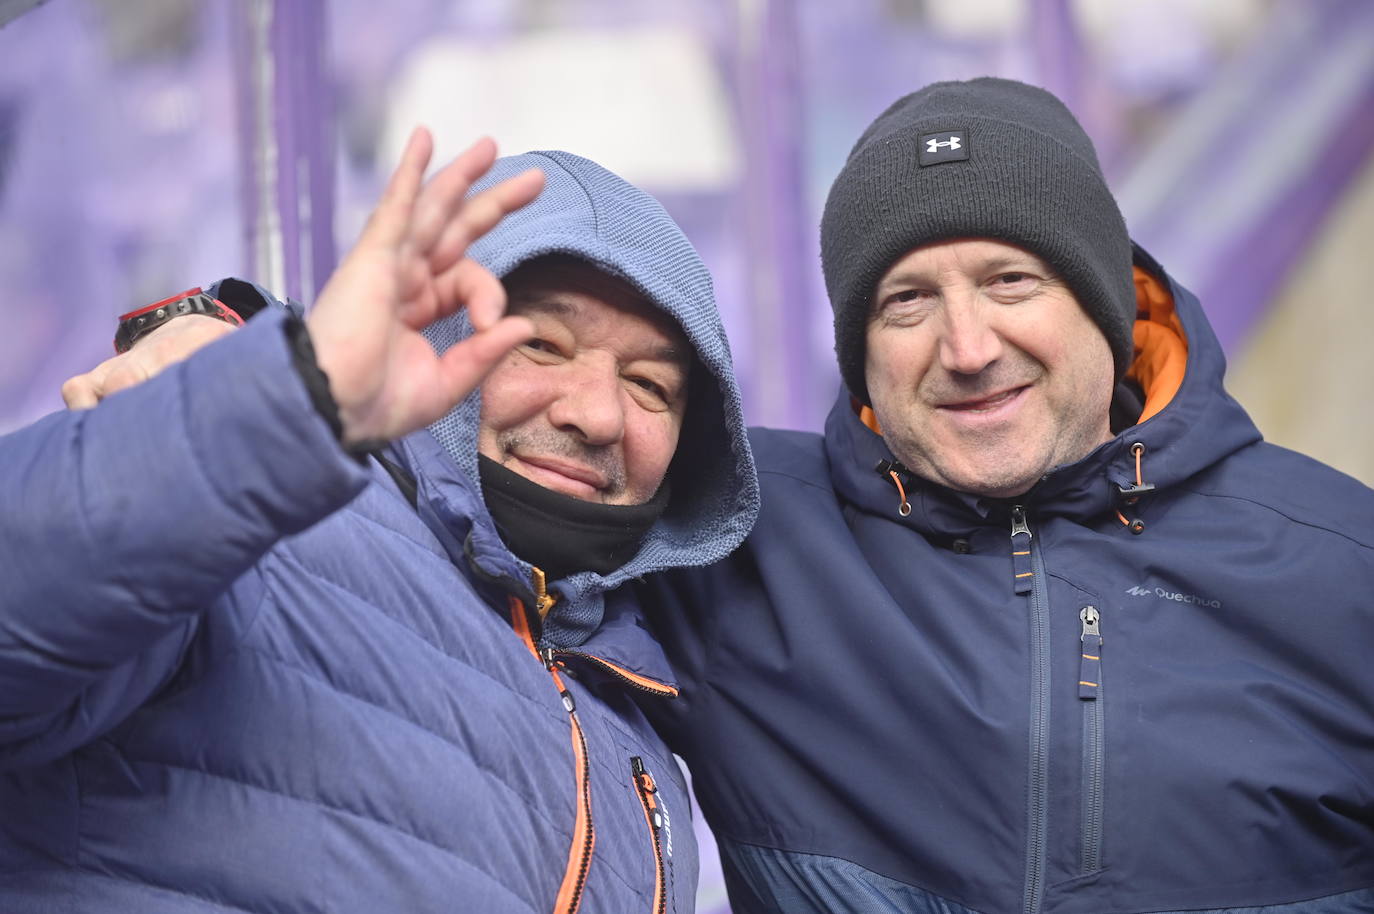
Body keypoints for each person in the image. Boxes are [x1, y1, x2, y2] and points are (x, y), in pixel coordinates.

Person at [640, 77, 1374, 913]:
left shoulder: (1344, 569)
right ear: (861, 355)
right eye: (907, 300)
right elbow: (508, 518)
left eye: (1010, 280)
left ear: (1109, 305)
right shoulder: (737, 530)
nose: (968, 346)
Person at [0, 131, 757, 913]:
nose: (597, 414)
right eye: (538, 344)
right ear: (435, 334)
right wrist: (277, 401)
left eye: (649, 386)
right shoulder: (259, 536)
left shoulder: (639, 727)